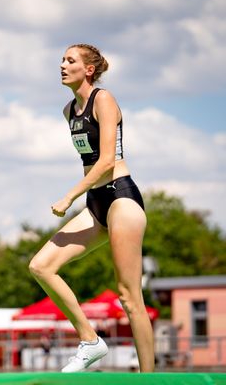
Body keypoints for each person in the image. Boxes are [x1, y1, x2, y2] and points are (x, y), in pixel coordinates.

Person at [28, 44, 154, 373]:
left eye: (70, 60)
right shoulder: (69, 110)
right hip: (95, 203)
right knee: (41, 266)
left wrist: (68, 197)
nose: (62, 65)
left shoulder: (104, 99)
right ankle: (90, 340)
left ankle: (151, 379)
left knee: (129, 297)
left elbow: (108, 160)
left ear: (88, 70)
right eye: (61, 59)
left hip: (120, 198)